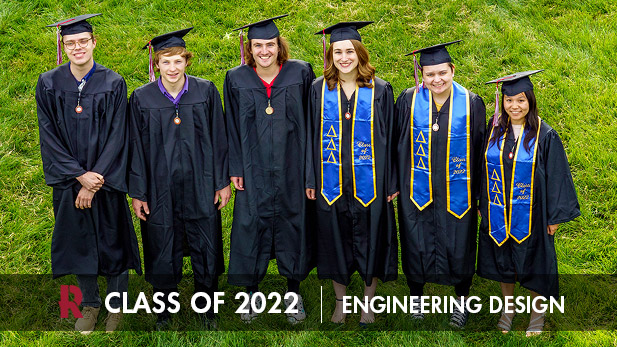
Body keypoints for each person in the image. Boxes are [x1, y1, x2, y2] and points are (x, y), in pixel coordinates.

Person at [36, 14, 141, 334]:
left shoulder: (113, 82)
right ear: (63, 46)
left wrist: (95, 180)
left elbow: (118, 135)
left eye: (83, 41)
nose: (77, 47)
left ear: (94, 42)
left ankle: (117, 307)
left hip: (105, 182)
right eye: (71, 43)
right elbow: (48, 134)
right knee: (78, 243)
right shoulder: (49, 82)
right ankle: (90, 304)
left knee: (114, 243)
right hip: (70, 183)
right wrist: (78, 176)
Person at [128, 27, 230, 330]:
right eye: (165, 62)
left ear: (187, 61)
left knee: (206, 244)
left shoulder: (206, 91)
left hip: (201, 184)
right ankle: (164, 310)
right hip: (159, 188)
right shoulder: (141, 98)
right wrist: (138, 191)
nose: (172, 68)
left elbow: (219, 138)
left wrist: (221, 182)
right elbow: (135, 148)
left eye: (178, 61)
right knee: (161, 245)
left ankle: (207, 308)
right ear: (156, 64)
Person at [223, 14, 316, 324]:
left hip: (292, 166)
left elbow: (312, 124)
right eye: (258, 45)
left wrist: (309, 171)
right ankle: (250, 295)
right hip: (253, 168)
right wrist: (235, 166)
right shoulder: (235, 78)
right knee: (250, 226)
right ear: (250, 47)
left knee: (293, 225)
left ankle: (293, 295)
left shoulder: (300, 73)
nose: (264, 51)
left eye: (270, 45)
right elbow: (231, 128)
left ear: (280, 46)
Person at [306, 21, 398, 325]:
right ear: (330, 55)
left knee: (371, 240)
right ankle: (340, 303)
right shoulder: (318, 89)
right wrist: (310, 178)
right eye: (337, 51)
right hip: (330, 183)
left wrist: (392, 181)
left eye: (349, 51)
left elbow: (394, 138)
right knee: (334, 241)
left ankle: (368, 305)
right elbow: (309, 135)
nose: (344, 57)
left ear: (359, 53)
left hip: (371, 183)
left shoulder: (380, 89)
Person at [479, 70, 580, 336]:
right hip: (499, 210)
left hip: (532, 215)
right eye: (509, 100)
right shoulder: (493, 130)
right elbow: (481, 168)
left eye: (521, 100)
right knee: (503, 261)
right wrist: (482, 203)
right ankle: (508, 309)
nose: (514, 106)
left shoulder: (545, 135)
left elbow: (558, 176)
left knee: (535, 263)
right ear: (503, 102)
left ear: (531, 102)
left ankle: (537, 313)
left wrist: (554, 217)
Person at [394, 40, 486, 328]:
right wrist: (395, 184)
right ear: (422, 74)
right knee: (414, 242)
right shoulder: (408, 100)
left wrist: (482, 197)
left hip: (458, 192)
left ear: (453, 70)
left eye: (442, 73)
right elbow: (397, 146)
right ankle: (416, 298)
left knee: (460, 244)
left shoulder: (471, 103)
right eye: (430, 74)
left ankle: (461, 301)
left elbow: (482, 152)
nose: (436, 80)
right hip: (416, 188)